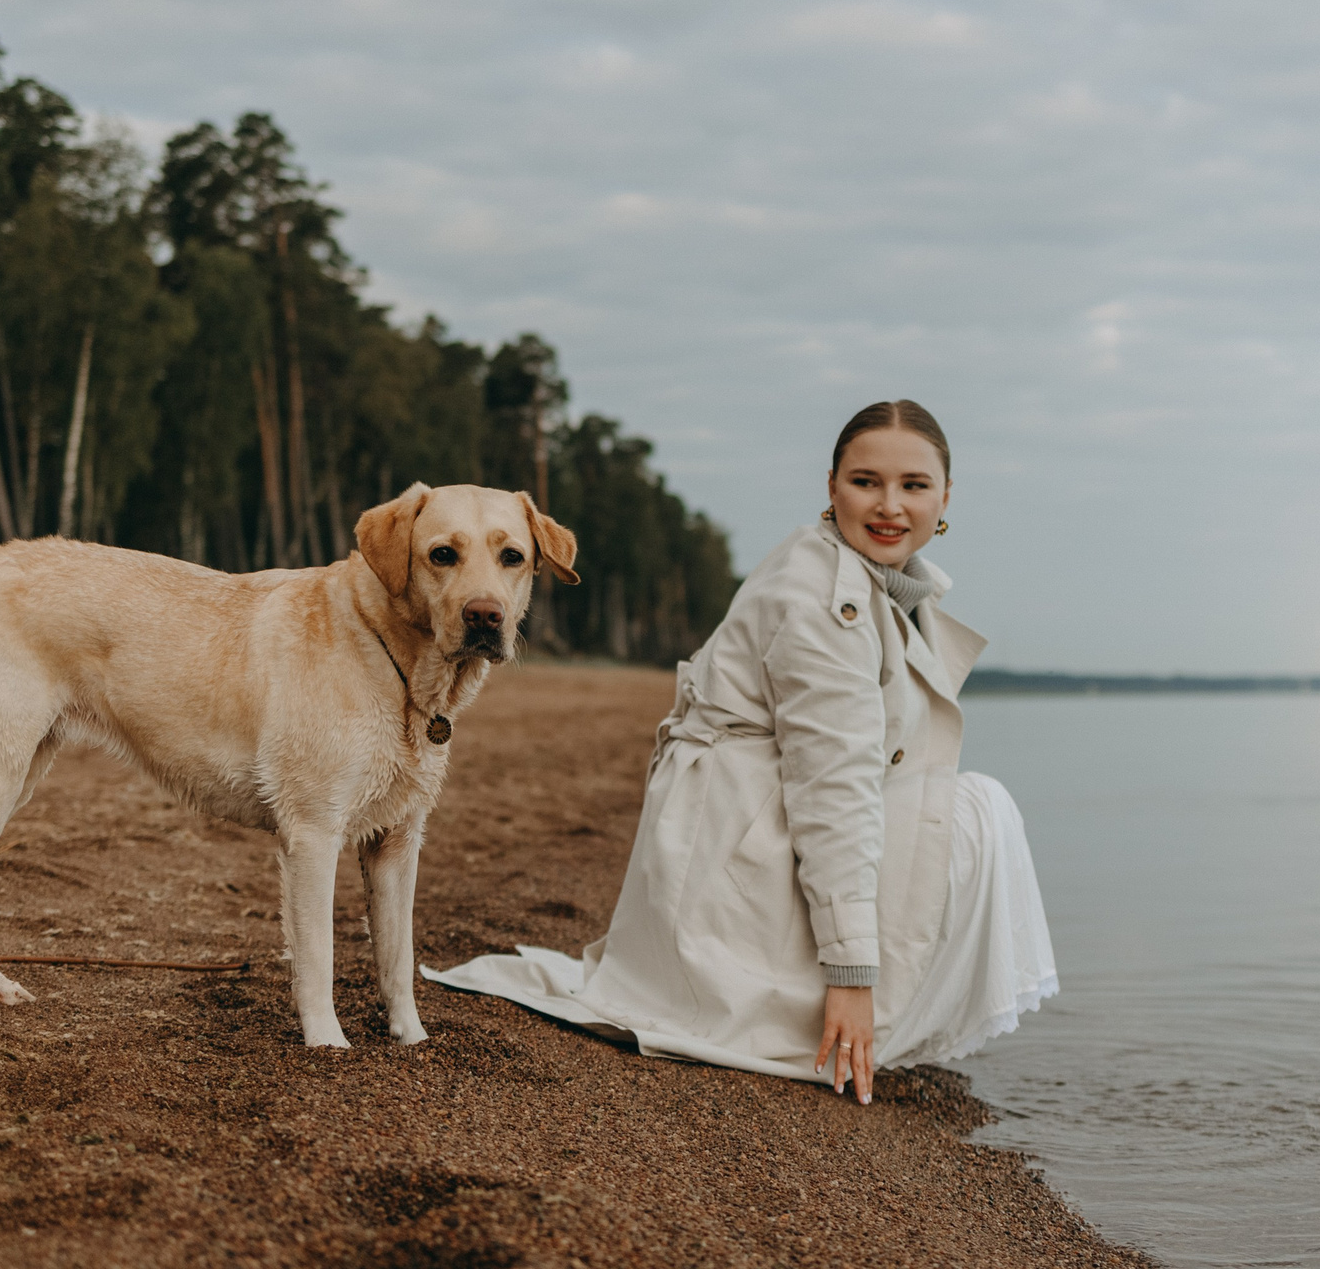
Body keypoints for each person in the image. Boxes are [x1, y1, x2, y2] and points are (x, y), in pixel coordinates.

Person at [427, 400, 1056, 1102]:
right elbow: (831, 786)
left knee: (958, 805)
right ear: (831, 486)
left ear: (944, 498)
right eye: (865, 481)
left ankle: (881, 1002)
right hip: (736, 846)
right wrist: (851, 979)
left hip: (726, 826)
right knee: (976, 812)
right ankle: (869, 1012)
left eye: (913, 485)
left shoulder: (865, 577)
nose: (889, 505)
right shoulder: (828, 601)